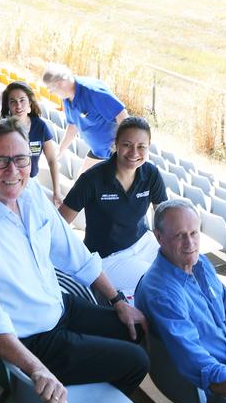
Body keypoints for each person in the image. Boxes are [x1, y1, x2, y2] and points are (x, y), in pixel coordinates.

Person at [0, 117, 149, 403]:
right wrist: (37, 368)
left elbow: (74, 254)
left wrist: (117, 300)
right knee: (136, 361)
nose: (13, 171)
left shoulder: (29, 195)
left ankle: (84, 389)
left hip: (57, 306)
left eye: (20, 159)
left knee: (132, 328)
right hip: (29, 338)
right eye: (1, 161)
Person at [136, 200, 226, 403]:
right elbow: (197, 364)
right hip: (215, 382)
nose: (190, 244)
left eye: (193, 233)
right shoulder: (162, 294)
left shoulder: (200, 262)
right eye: (179, 235)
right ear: (158, 237)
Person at [59, 117, 167, 303]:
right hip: (109, 258)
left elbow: (166, 218)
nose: (134, 152)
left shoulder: (150, 174)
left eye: (141, 146)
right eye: (127, 144)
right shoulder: (92, 179)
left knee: (187, 269)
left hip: (144, 243)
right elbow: (59, 224)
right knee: (159, 281)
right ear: (116, 144)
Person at [42, 62, 128, 174]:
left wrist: (123, 148)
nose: (50, 92)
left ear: (59, 84)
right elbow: (72, 127)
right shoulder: (66, 98)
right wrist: (59, 151)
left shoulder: (93, 92)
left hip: (114, 153)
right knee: (80, 183)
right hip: (98, 152)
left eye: (50, 88)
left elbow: (122, 116)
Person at [1, 81, 62, 206]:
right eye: (13, 102)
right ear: (8, 106)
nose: (18, 106)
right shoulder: (1, 129)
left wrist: (57, 191)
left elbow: (52, 161)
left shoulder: (40, 126)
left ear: (30, 103)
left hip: (31, 183)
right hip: (9, 184)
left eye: (22, 100)